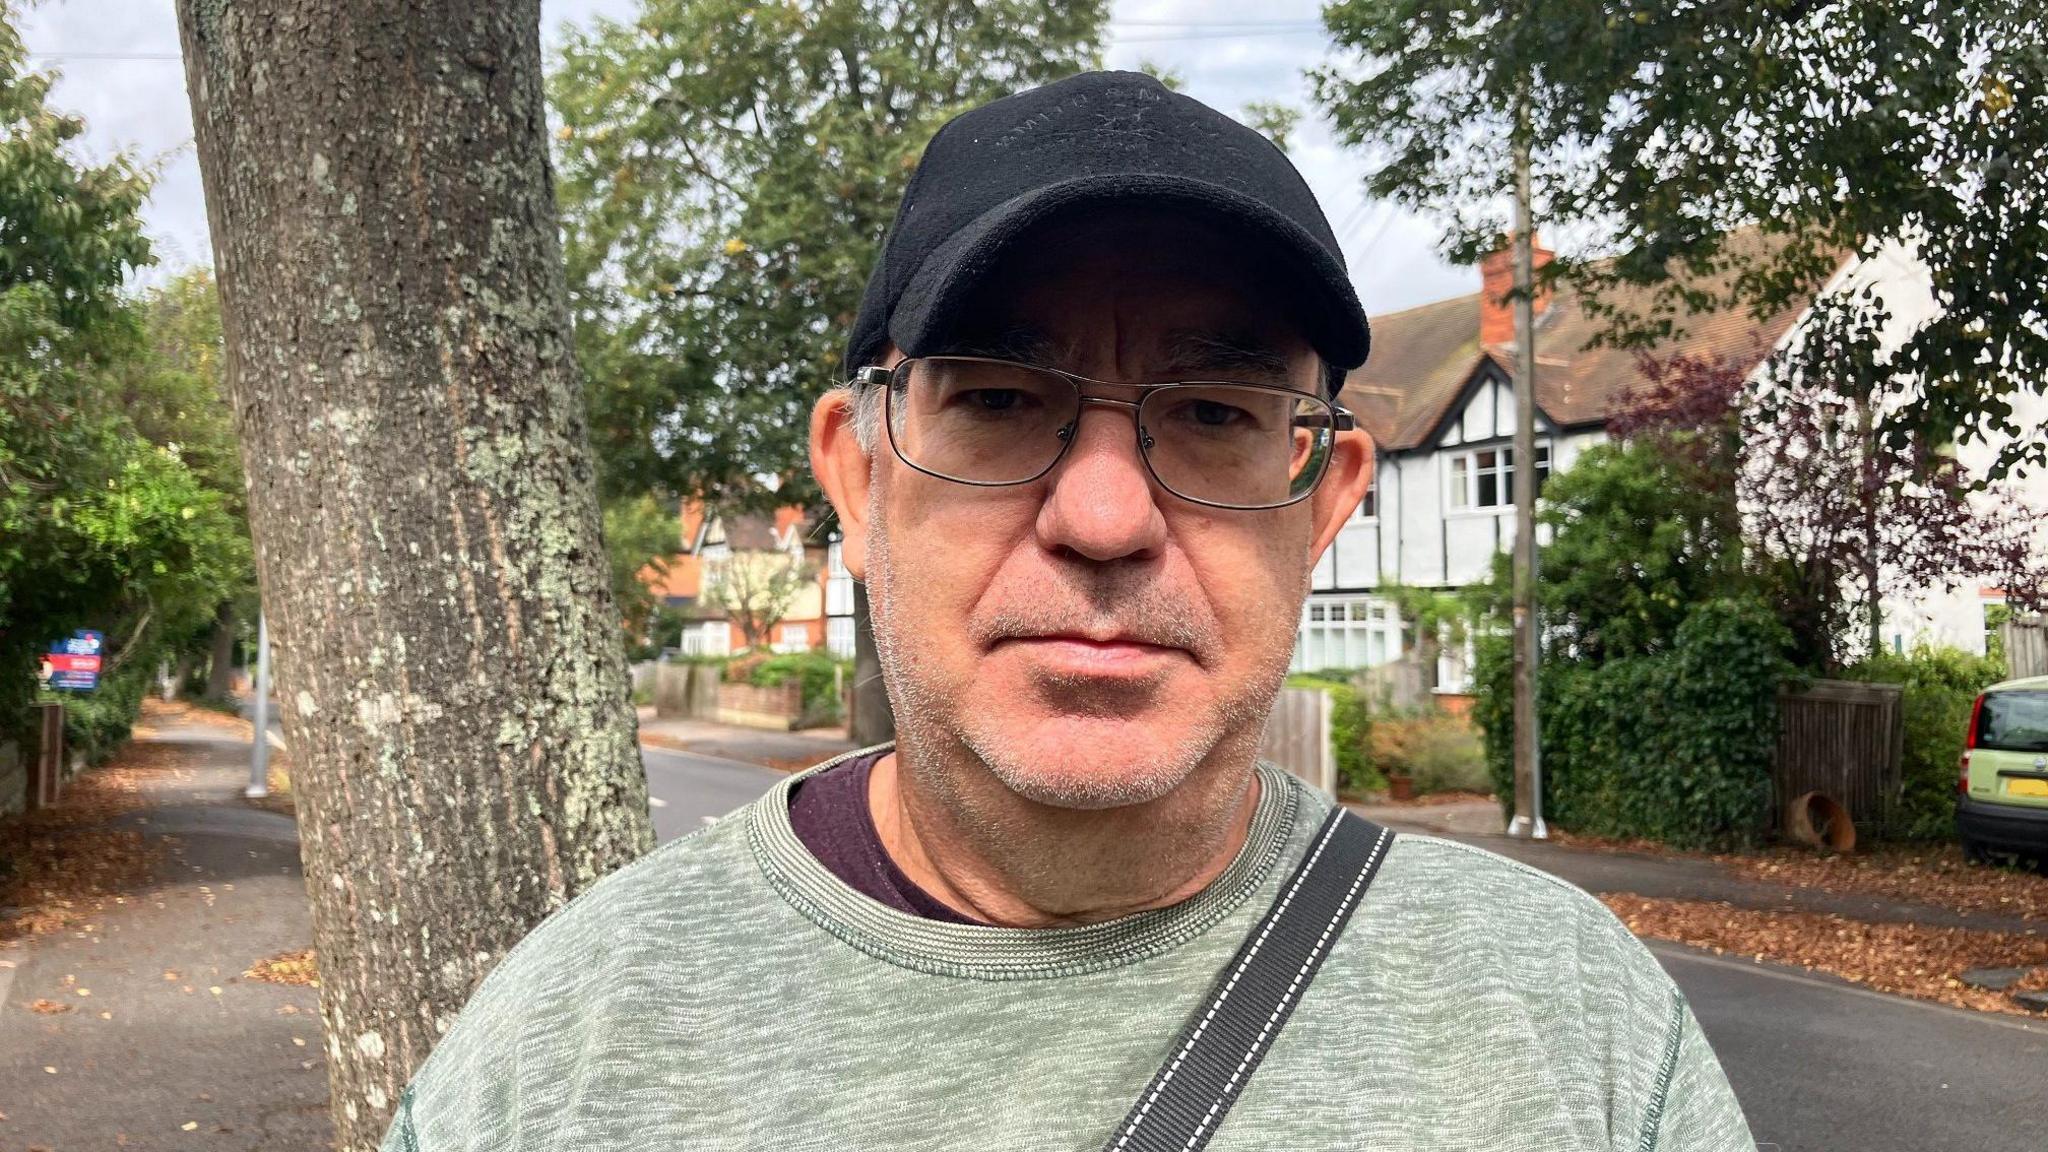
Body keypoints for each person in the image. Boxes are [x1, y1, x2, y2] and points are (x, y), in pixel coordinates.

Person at [381, 71, 1753, 1151]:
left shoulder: (1570, 1021)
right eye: (999, 400)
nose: (1103, 519)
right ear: (856, 481)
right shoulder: (565, 1051)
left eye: (1213, 415)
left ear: (1326, 503)